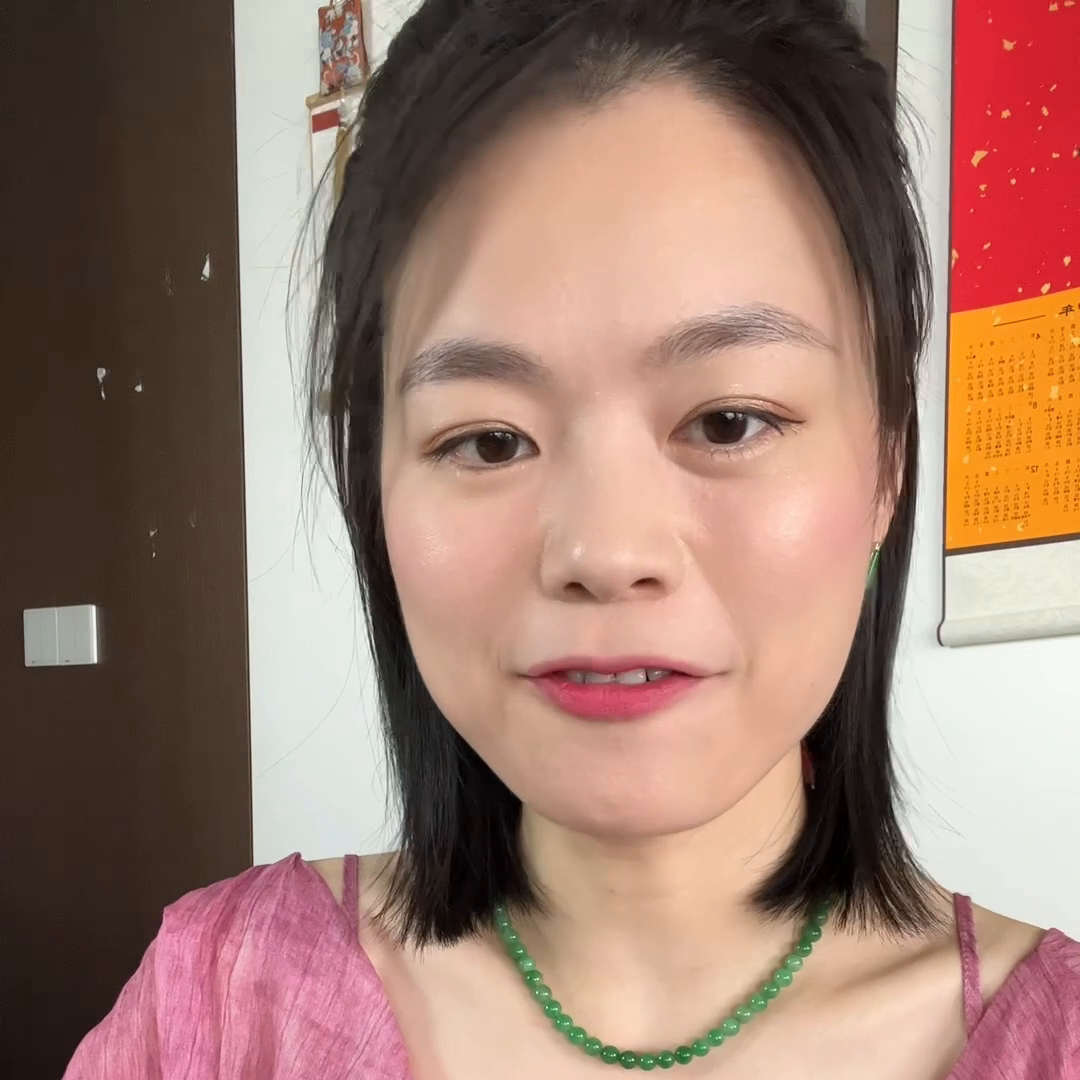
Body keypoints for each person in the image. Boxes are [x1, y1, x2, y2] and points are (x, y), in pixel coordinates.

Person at [65, 1, 1080, 1077]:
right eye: (489, 440)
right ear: (376, 488)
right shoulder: (220, 1008)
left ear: (886, 467)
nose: (604, 551)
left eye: (728, 422)